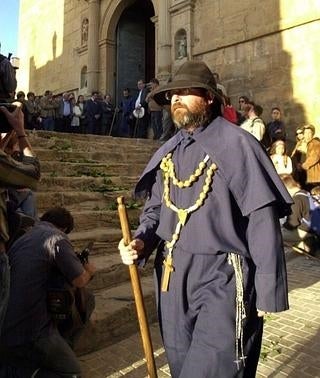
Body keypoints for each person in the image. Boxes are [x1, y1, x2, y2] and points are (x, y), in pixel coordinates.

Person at [118, 60, 292, 378]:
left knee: (215, 369)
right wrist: (142, 240)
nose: (176, 99)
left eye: (185, 92)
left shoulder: (239, 144)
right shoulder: (167, 152)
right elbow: (156, 209)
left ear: (209, 97)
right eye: (172, 94)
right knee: (183, 365)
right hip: (171, 275)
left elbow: (261, 217)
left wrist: (268, 289)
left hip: (222, 276)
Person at [0, 207, 96, 377]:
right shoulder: (56, 238)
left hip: (7, 323)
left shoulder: (24, 236)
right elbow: (79, 279)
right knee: (72, 373)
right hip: (30, 331)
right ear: (65, 228)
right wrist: (89, 271)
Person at [281, 174, 318, 254]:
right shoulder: (305, 193)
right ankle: (305, 246)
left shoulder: (296, 200)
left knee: (277, 236)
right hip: (312, 228)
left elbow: (292, 224)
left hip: (306, 231)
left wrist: (282, 226)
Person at [301, 124, 320, 191]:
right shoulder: (305, 143)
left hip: (315, 176)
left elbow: (315, 156)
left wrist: (304, 165)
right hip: (309, 174)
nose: (307, 135)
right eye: (306, 133)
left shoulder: (315, 143)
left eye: (309, 133)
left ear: (313, 134)